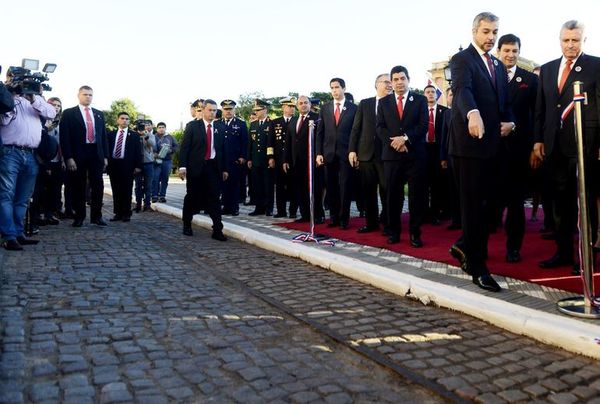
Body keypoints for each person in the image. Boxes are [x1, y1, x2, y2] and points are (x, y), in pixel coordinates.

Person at [448, 12, 515, 292]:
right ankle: (477, 266)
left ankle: (464, 245)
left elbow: (504, 102)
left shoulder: (498, 66)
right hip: (469, 146)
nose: (491, 37)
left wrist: (511, 121)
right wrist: (472, 113)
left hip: (494, 146)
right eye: (486, 32)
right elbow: (462, 90)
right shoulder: (462, 59)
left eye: (495, 32)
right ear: (475, 31)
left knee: (497, 200)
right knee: (473, 206)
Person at [534, 20, 600, 270]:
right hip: (554, 146)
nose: (570, 45)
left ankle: (587, 256)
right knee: (560, 203)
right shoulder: (549, 69)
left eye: (575, 40)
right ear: (559, 40)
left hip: (586, 146)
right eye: (566, 40)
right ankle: (563, 252)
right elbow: (541, 108)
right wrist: (538, 139)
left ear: (584, 40)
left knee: (585, 202)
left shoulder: (596, 65)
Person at [0, 72, 56, 250]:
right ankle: (9, 236)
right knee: (6, 195)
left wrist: (33, 97)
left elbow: (51, 113)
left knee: (23, 198)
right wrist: (10, 92)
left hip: (31, 155)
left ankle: (18, 232)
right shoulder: (9, 100)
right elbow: (4, 117)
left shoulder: (36, 103)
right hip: (10, 152)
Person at [496, 34, 539, 263]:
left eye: (515, 51)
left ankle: (514, 247)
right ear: (498, 52)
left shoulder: (530, 80)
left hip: (519, 151)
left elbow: (537, 116)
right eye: (507, 51)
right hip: (491, 151)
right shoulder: (487, 77)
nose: (511, 55)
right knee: (489, 200)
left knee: (515, 203)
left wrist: (534, 145)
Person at [376, 65, 428, 247]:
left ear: (408, 80)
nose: (399, 82)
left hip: (415, 156)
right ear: (391, 82)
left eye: (402, 78)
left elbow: (423, 126)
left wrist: (405, 139)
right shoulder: (383, 102)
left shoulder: (420, 100)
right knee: (393, 196)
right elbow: (380, 128)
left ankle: (415, 233)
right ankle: (394, 231)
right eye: (395, 79)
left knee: (416, 196)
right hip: (392, 156)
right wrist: (395, 143)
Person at [59, 85, 109, 227]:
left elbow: (103, 136)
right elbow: (65, 137)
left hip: (96, 153)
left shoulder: (99, 114)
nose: (88, 97)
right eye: (85, 94)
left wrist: (105, 156)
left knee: (98, 186)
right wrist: (68, 157)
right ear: (79, 95)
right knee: (78, 186)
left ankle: (96, 217)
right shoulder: (69, 113)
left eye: (90, 95)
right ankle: (79, 216)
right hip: (78, 154)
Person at [348, 74, 392, 233]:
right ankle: (371, 223)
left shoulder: (393, 103)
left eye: (390, 82)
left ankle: (388, 223)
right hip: (366, 154)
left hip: (386, 155)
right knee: (368, 191)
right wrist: (352, 150)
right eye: (386, 82)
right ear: (376, 84)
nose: (389, 85)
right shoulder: (365, 104)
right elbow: (356, 128)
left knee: (387, 190)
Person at [178, 99, 227, 241]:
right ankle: (187, 223)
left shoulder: (220, 127)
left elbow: (222, 151)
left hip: (213, 168)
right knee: (192, 197)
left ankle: (217, 229)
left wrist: (224, 169)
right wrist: (182, 167)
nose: (213, 113)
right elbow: (185, 148)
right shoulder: (193, 126)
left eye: (214, 110)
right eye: (210, 110)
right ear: (203, 110)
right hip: (196, 168)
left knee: (215, 199)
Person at [316, 78, 357, 229]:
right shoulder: (325, 108)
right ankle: (333, 217)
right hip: (329, 153)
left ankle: (344, 218)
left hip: (346, 153)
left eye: (337, 87)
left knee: (345, 186)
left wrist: (354, 151)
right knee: (331, 186)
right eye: (332, 88)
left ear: (344, 88)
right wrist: (319, 152)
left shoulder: (353, 108)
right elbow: (320, 132)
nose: (334, 90)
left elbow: (356, 131)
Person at [284, 96, 324, 224]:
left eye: (306, 103)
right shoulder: (293, 120)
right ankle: (305, 214)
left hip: (311, 160)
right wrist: (286, 159)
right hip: (297, 161)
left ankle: (318, 215)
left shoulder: (317, 118)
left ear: (310, 104)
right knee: (300, 189)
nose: (303, 105)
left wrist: (319, 155)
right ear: (297, 106)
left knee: (315, 188)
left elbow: (321, 138)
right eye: (300, 103)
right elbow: (289, 142)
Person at [107, 112, 142, 222]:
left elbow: (138, 152)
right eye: (122, 118)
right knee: (116, 190)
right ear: (118, 120)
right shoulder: (111, 134)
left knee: (126, 190)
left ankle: (126, 213)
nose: (124, 120)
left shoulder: (134, 135)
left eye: (127, 119)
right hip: (114, 165)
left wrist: (138, 166)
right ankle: (117, 213)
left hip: (128, 165)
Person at [423, 84, 448, 225]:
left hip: (438, 151)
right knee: (423, 183)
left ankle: (435, 213)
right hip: (423, 150)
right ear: (424, 94)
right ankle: (424, 212)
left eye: (433, 92)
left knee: (437, 184)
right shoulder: (419, 111)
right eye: (428, 92)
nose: (431, 94)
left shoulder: (444, 111)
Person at [269, 97, 296, 218]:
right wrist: (270, 157)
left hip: (293, 158)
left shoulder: (297, 120)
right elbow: (270, 142)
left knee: (294, 185)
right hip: (279, 158)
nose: (292, 109)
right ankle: (281, 210)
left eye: (293, 107)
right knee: (279, 186)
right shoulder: (275, 122)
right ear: (283, 108)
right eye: (289, 106)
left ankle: (293, 211)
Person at [219, 100, 248, 216]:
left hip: (235, 159)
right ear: (222, 110)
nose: (228, 111)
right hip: (221, 160)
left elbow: (245, 142)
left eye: (230, 109)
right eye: (226, 109)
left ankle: (234, 207)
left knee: (234, 184)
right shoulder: (218, 124)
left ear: (234, 110)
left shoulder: (241, 124)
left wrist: (243, 156)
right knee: (223, 184)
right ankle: (225, 206)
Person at [247, 99, 275, 216]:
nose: (256, 112)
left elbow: (272, 142)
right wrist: (249, 158)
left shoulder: (271, 123)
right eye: (255, 110)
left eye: (258, 110)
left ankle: (268, 208)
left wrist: (271, 158)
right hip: (256, 159)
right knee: (257, 185)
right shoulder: (253, 124)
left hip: (266, 159)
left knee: (267, 185)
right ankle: (259, 208)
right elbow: (250, 143)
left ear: (265, 110)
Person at [152, 122, 178, 203]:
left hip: (167, 161)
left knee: (165, 179)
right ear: (157, 128)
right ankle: (154, 195)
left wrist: (171, 150)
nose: (161, 129)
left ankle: (162, 196)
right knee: (155, 178)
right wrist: (154, 153)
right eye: (159, 127)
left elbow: (176, 146)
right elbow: (149, 147)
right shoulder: (153, 137)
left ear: (165, 128)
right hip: (156, 161)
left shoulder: (170, 137)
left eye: (163, 127)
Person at [134, 120, 156, 212]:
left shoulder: (150, 135)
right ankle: (138, 205)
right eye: (141, 127)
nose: (143, 128)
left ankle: (147, 205)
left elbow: (152, 144)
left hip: (148, 163)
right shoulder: (133, 135)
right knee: (138, 185)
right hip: (137, 164)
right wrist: (137, 134)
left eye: (145, 126)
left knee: (148, 185)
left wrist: (145, 135)